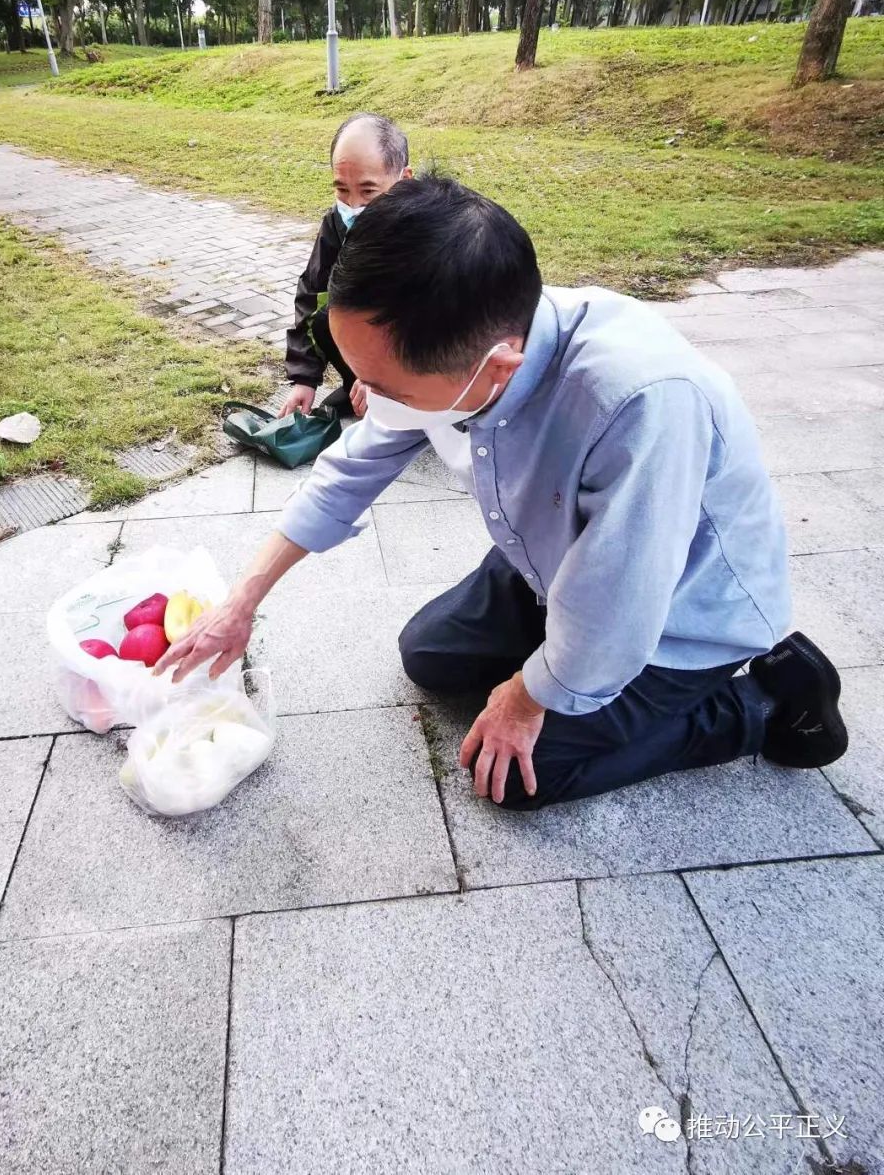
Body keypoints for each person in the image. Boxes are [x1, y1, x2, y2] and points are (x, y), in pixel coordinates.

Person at [159, 175, 847, 811]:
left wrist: (527, 695)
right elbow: (349, 472)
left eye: (386, 386)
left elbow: (617, 607)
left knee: (516, 775)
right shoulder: (451, 335)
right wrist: (242, 600)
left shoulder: (638, 403)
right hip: (548, 561)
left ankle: (761, 705)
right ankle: (552, 658)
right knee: (429, 656)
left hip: (680, 614)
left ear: (499, 367)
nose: (366, 397)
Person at [278, 112, 412, 421]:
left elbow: (433, 321)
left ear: (404, 180)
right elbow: (312, 294)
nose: (353, 206)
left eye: (368, 192)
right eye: (342, 189)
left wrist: (384, 379)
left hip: (425, 357)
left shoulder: (430, 230)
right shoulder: (336, 223)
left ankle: (401, 401)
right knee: (329, 316)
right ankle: (357, 387)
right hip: (372, 351)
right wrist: (304, 377)